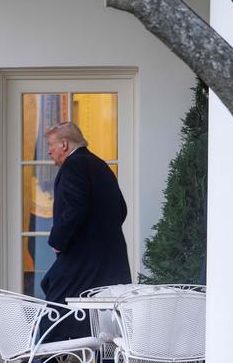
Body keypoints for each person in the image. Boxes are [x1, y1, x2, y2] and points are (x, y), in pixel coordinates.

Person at [41, 122, 132, 341]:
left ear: (64, 144)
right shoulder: (100, 165)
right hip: (110, 261)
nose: (48, 150)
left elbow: (76, 207)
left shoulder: (74, 165)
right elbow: (121, 209)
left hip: (82, 262)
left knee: (54, 321)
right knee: (105, 327)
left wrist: (58, 240)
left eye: (51, 145)